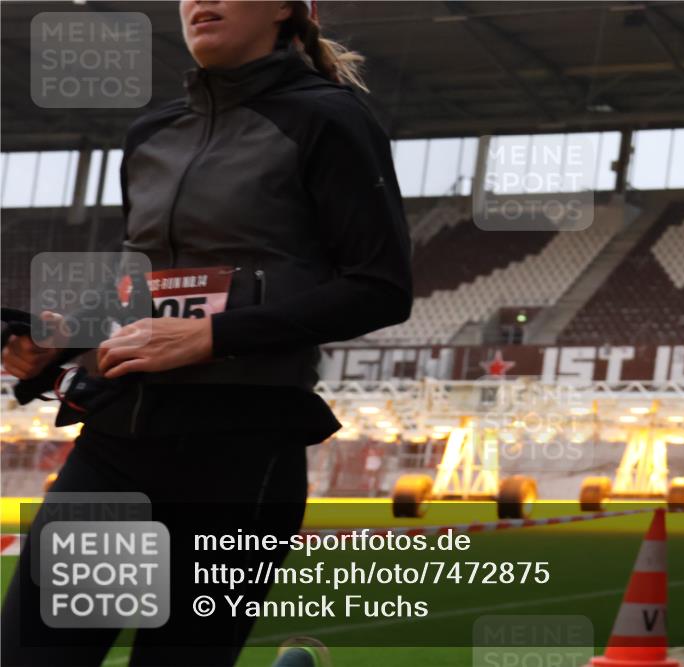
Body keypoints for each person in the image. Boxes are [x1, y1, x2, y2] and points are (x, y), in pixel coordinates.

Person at [0, 1, 410, 665]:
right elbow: (146, 284)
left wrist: (214, 337)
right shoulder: (152, 132)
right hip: (115, 447)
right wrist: (63, 340)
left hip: (240, 455)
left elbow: (381, 286)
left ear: (286, 7)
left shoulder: (331, 120)